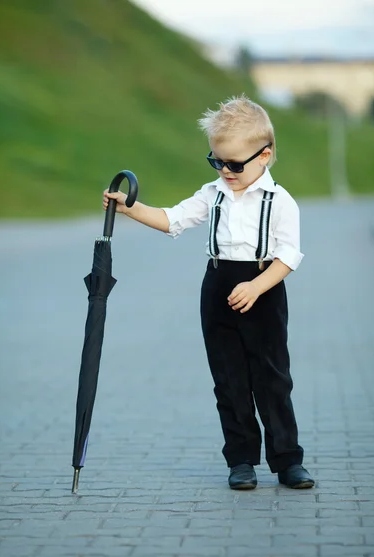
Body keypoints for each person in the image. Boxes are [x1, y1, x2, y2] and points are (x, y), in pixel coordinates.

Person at [103, 95, 314, 491]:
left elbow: (288, 255)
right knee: (229, 380)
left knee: (272, 379)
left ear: (264, 156)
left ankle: (287, 460)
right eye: (217, 161)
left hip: (263, 288)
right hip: (217, 286)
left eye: (234, 164)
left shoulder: (279, 200)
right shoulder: (213, 192)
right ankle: (241, 461)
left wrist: (256, 285)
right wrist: (131, 208)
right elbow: (173, 219)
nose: (225, 171)